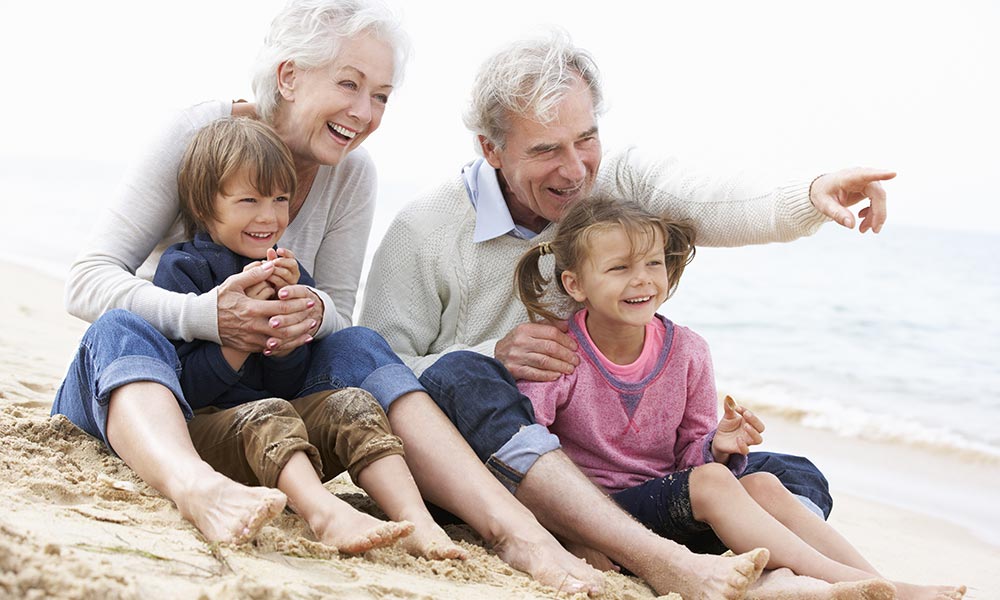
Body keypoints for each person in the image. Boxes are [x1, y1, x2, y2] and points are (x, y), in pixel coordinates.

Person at [50, 2, 741, 594]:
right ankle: (195, 488)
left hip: (256, 396)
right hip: (143, 400)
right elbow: (88, 277)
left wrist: (313, 312)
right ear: (289, 76)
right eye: (349, 84)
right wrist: (207, 315)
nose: (365, 111)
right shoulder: (198, 134)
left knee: (359, 344)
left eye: (380, 94)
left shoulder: (352, 174)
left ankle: (518, 534)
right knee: (116, 326)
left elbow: (344, 311)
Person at [359, 29, 898, 597]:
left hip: (627, 480)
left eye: (585, 139)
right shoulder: (424, 229)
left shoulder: (616, 184)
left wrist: (809, 195)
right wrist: (491, 355)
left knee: (789, 478)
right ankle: (663, 553)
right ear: (491, 149)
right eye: (545, 150)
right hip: (502, 462)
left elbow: (709, 200)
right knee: (465, 375)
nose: (575, 170)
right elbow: (378, 374)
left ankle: (772, 571)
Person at [512, 196, 966, 600]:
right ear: (575, 284)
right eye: (619, 268)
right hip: (597, 513)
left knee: (763, 483)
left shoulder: (687, 350)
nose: (643, 280)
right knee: (712, 482)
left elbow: (690, 458)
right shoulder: (557, 353)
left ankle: (874, 580)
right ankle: (842, 580)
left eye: (654, 263)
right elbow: (533, 458)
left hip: (670, 509)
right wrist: (571, 533)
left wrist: (718, 445)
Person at [141, 115, 473, 557]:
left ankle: (416, 521)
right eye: (249, 200)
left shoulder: (287, 271)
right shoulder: (184, 269)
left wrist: (286, 342)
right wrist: (240, 342)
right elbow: (183, 388)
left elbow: (286, 382)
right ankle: (323, 513)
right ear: (205, 207)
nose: (269, 216)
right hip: (213, 435)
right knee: (268, 412)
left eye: (281, 199)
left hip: (285, 445)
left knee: (353, 403)